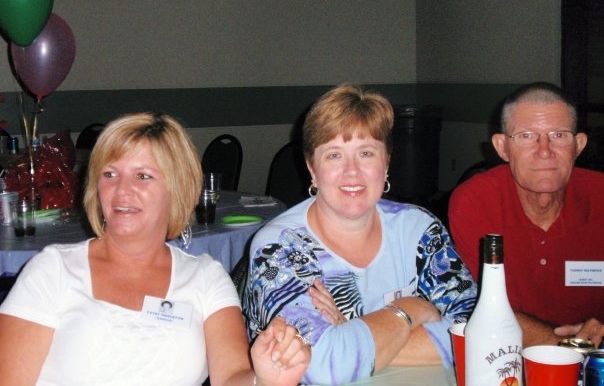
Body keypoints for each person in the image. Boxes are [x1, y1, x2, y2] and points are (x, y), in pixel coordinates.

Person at [0, 112, 310, 386]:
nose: (122, 190)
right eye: (110, 174)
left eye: (143, 176)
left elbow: (231, 377)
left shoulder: (205, 277)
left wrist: (264, 380)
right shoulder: (53, 271)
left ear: (177, 188)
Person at [242, 84, 477, 385]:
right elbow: (321, 366)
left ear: (386, 162)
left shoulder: (419, 229)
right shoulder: (280, 247)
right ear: (312, 169)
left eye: (366, 153)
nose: (352, 171)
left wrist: (349, 329)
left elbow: (476, 332)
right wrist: (411, 310)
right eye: (334, 155)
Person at [448, 82, 604, 348]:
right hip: (507, 354)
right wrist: (565, 346)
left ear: (578, 145)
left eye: (559, 135)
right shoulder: (475, 202)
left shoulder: (599, 196)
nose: (544, 151)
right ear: (502, 147)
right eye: (526, 136)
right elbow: (478, 306)